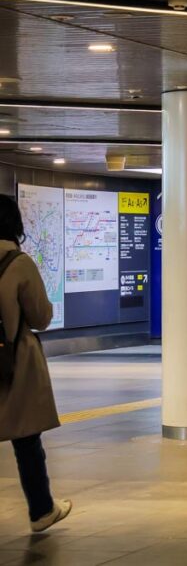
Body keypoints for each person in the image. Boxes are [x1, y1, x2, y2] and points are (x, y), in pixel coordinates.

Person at [0, 195, 71, 531]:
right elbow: (41, 317)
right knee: (26, 437)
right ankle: (42, 510)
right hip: (12, 361)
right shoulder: (18, 264)